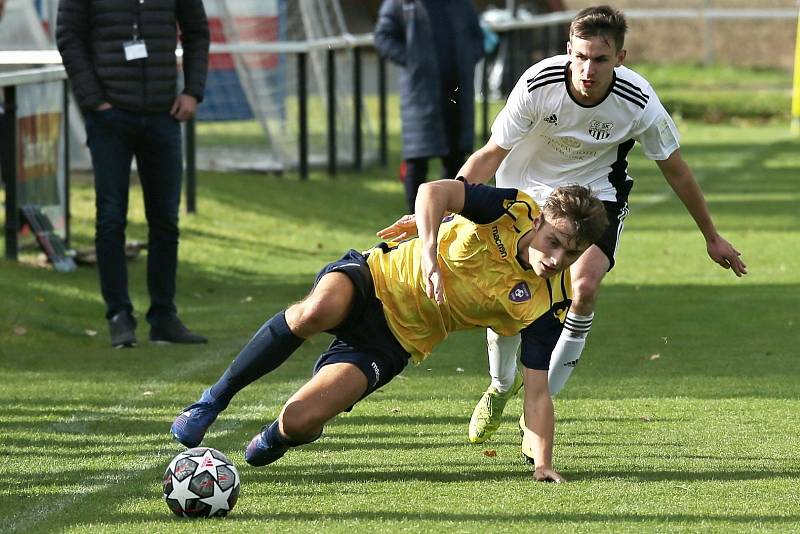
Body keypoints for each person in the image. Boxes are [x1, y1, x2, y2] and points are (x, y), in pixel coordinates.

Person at [380, 5, 748, 445]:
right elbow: (492, 153)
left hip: (596, 195)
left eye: (601, 60)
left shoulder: (639, 101)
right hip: (527, 193)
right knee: (512, 296)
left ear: (621, 58)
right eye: (581, 57)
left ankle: (534, 415)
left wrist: (711, 236)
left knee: (585, 287)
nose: (588, 69)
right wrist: (446, 210)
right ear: (568, 50)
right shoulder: (539, 84)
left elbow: (677, 170)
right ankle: (500, 387)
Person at [171, 179, 609, 482]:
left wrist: (543, 462)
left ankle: (284, 433)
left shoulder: (546, 302)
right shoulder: (510, 209)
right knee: (314, 312)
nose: (556, 258)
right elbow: (433, 192)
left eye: (571, 254)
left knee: (299, 421)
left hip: (396, 341)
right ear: (539, 224)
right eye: (553, 242)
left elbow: (536, 392)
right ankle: (212, 401)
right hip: (375, 277)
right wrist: (430, 253)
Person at [56, 0, 210, 348]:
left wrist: (192, 91)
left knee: (165, 220)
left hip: (163, 115)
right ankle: (118, 316)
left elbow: (198, 32)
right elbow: (69, 37)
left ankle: (164, 318)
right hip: (109, 115)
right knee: (111, 217)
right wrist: (94, 100)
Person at [374, 0, 485, 213]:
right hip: (421, 93)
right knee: (417, 159)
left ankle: (451, 221)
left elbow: (478, 37)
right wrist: (413, 60)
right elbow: (383, 37)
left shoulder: (461, 4)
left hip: (457, 93)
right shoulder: (401, 4)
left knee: (456, 159)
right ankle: (415, 221)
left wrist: (467, 56)